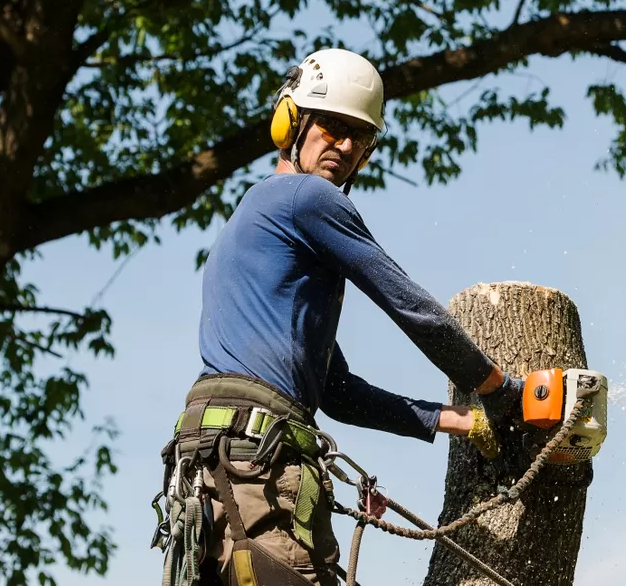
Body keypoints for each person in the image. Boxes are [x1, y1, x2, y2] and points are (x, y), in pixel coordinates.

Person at [160, 48, 524, 586]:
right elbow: (412, 307)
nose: (347, 146)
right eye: (332, 126)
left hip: (217, 475)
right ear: (292, 120)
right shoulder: (304, 198)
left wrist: (458, 420)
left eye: (360, 136)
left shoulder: (261, 222)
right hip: (255, 469)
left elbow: (338, 392)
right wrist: (501, 391)